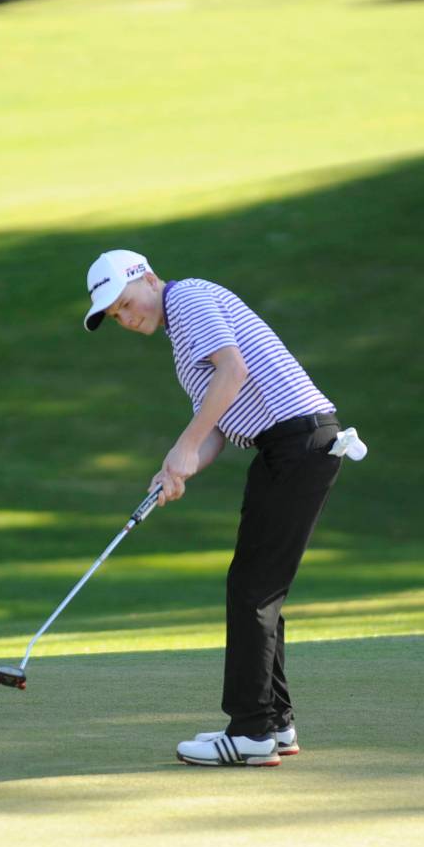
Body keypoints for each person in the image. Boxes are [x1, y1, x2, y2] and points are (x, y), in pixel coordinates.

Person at [83, 248, 346, 767]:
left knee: (253, 590)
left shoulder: (190, 299)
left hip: (298, 443)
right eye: (117, 316)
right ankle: (275, 723)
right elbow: (220, 431)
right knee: (255, 588)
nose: (127, 318)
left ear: (149, 279)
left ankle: (250, 733)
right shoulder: (182, 336)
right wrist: (177, 469)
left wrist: (184, 444)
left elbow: (234, 374)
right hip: (289, 447)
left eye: (126, 303)